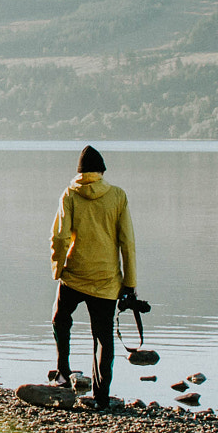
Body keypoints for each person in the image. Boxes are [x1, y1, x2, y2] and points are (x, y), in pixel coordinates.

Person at [48, 144, 137, 410]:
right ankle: (101, 396)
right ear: (101, 172)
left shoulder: (70, 195)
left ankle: (62, 373)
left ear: (79, 173)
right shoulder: (117, 196)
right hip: (106, 281)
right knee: (102, 337)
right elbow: (127, 243)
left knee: (60, 320)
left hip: (74, 275)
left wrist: (58, 269)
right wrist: (130, 283)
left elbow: (60, 237)